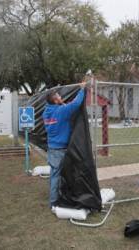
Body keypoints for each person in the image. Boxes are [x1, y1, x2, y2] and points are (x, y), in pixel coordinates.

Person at [43, 82, 86, 210]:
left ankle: (54, 196)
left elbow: (62, 108)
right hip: (60, 149)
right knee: (57, 175)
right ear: (55, 100)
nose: (61, 98)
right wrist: (82, 89)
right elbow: (76, 104)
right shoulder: (61, 111)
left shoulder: (46, 112)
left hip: (51, 148)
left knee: (54, 173)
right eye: (59, 96)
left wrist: (60, 103)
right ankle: (53, 202)